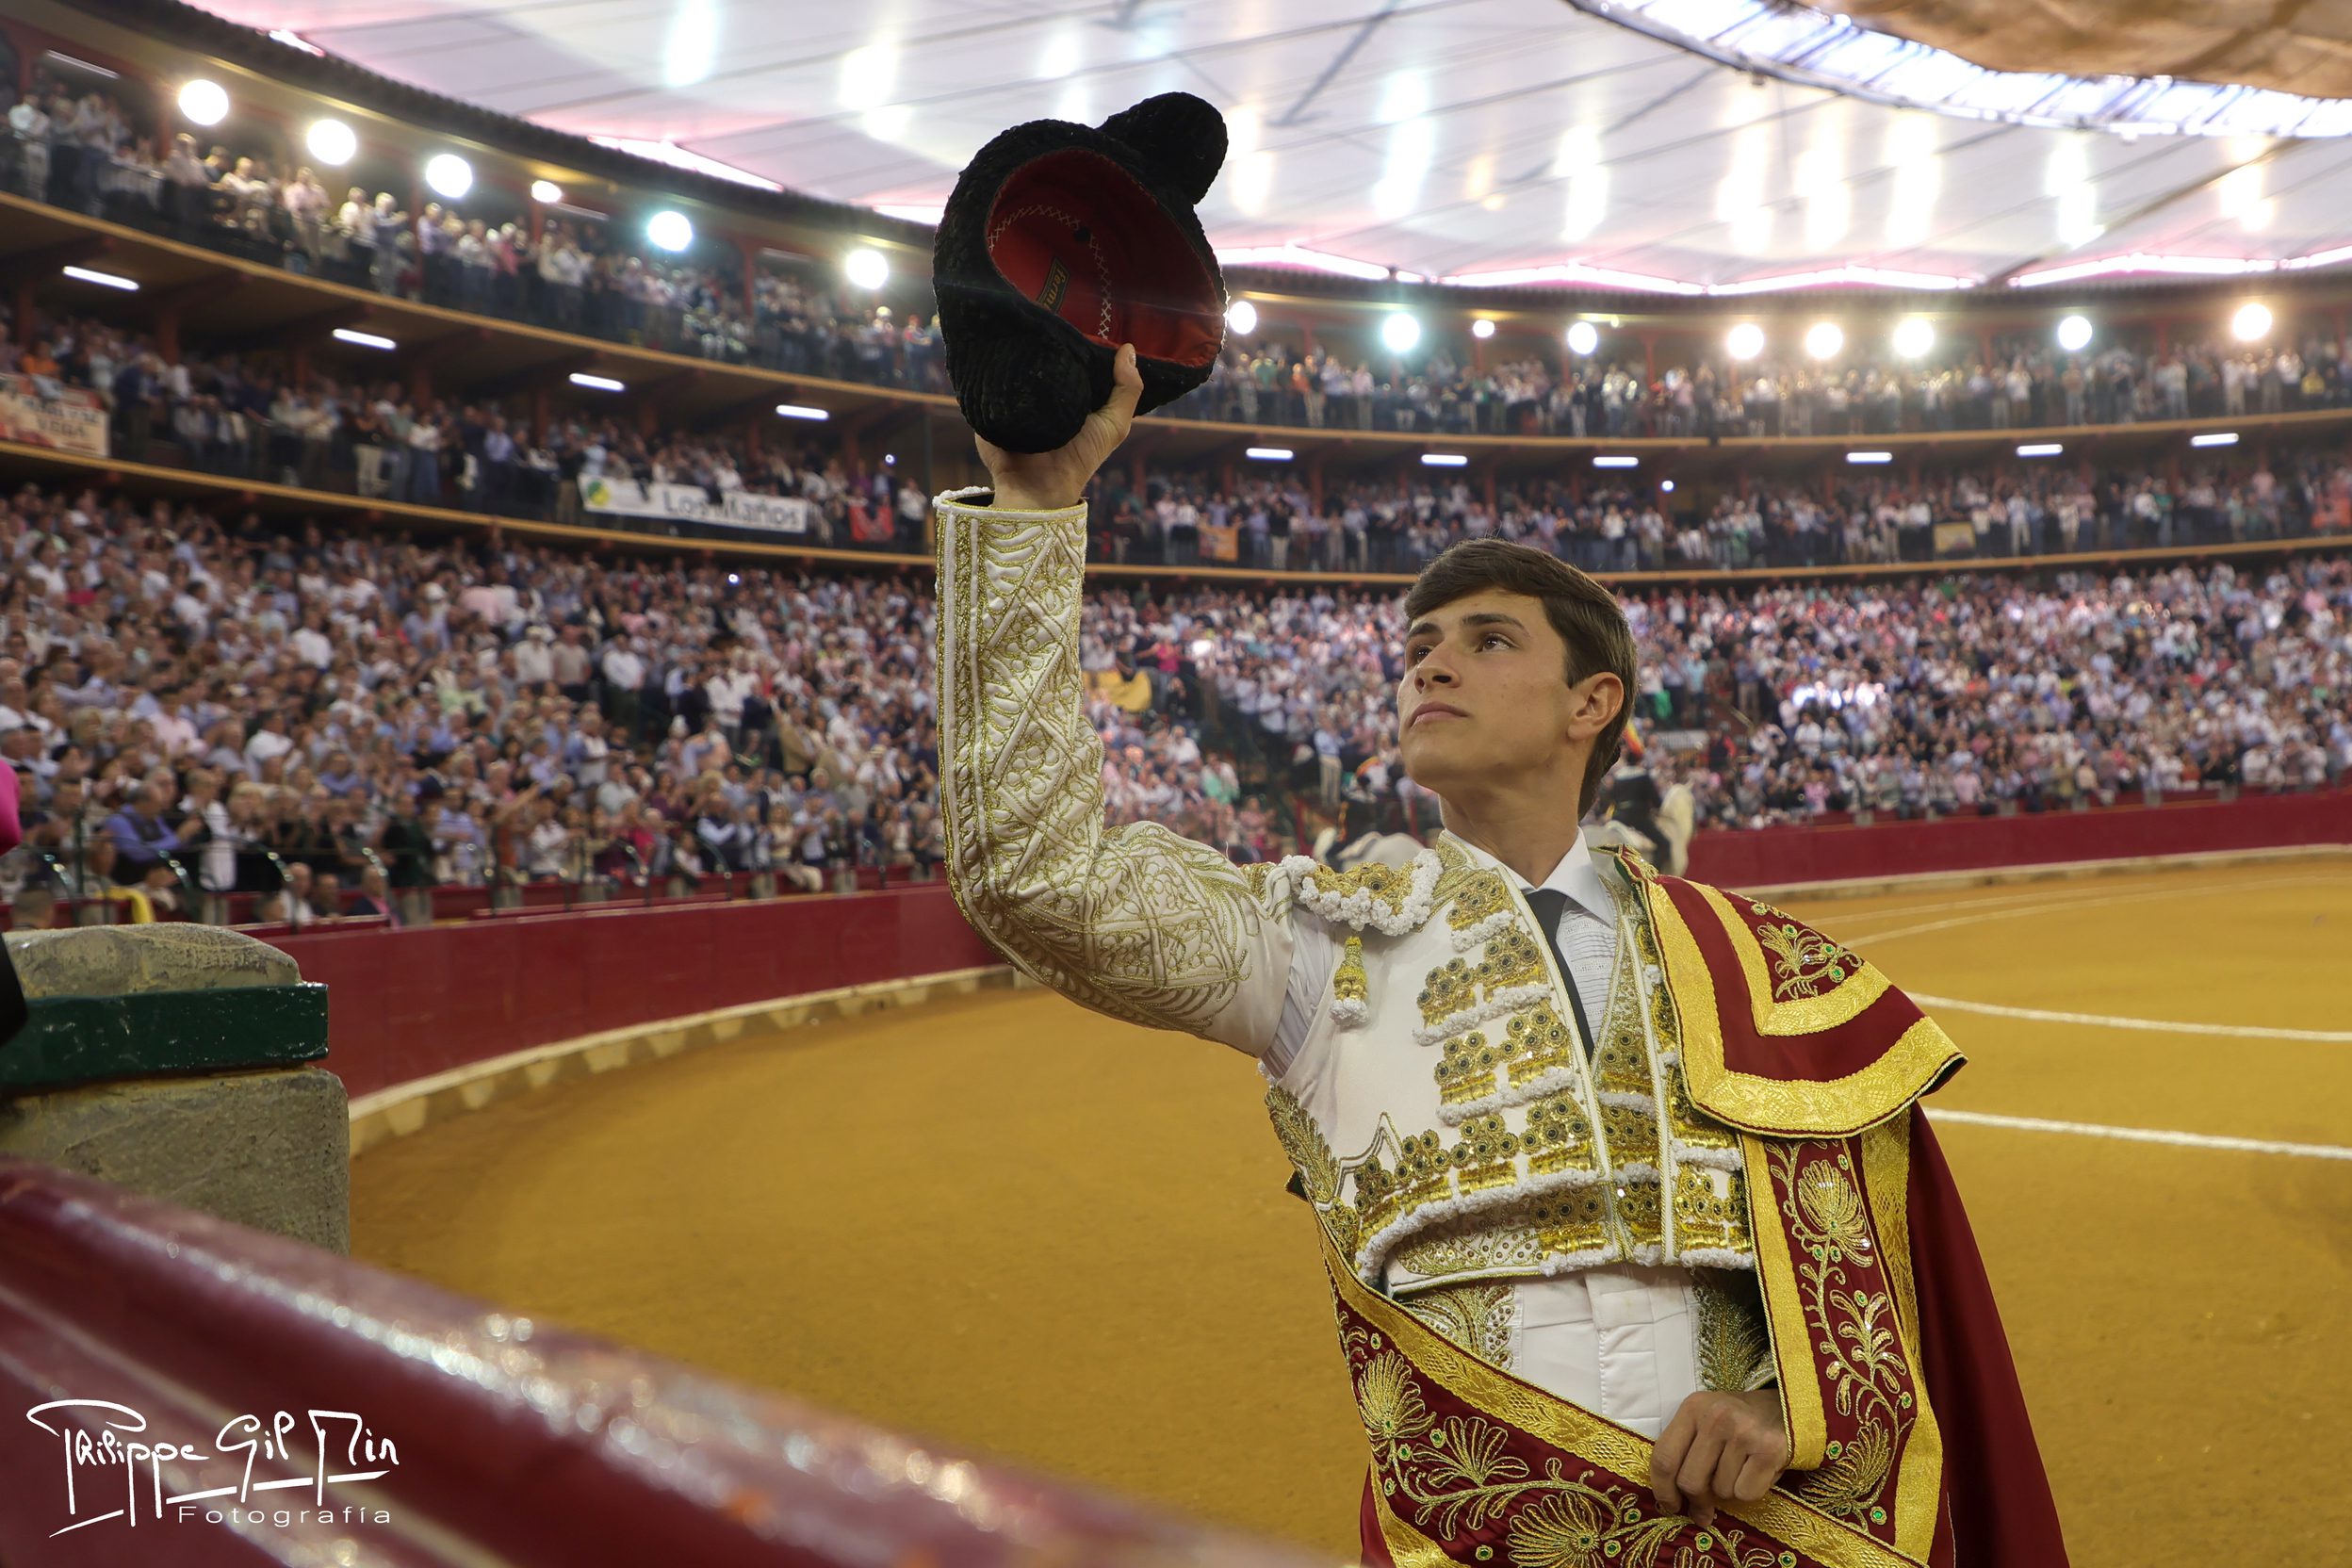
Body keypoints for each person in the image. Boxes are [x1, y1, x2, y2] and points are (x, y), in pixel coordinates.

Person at [935, 344, 2066, 1565]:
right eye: (1420, 645)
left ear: (1593, 705)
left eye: (1485, 641)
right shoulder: (1319, 947)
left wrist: (1795, 1406)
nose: (1428, 662)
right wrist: (1037, 514)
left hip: (1765, 1536)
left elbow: (1873, 1296)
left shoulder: (1761, 967)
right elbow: (1031, 873)